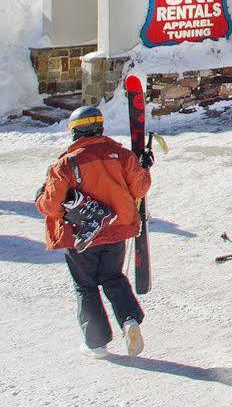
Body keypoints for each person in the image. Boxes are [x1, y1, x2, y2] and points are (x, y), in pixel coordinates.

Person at [35, 105, 151, 357]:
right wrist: (144, 166)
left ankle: (96, 344)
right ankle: (129, 320)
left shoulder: (65, 164)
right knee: (113, 278)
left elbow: (52, 207)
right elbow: (140, 188)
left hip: (81, 236)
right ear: (100, 127)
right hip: (116, 230)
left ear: (75, 132)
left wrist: (40, 198)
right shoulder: (122, 155)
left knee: (85, 286)